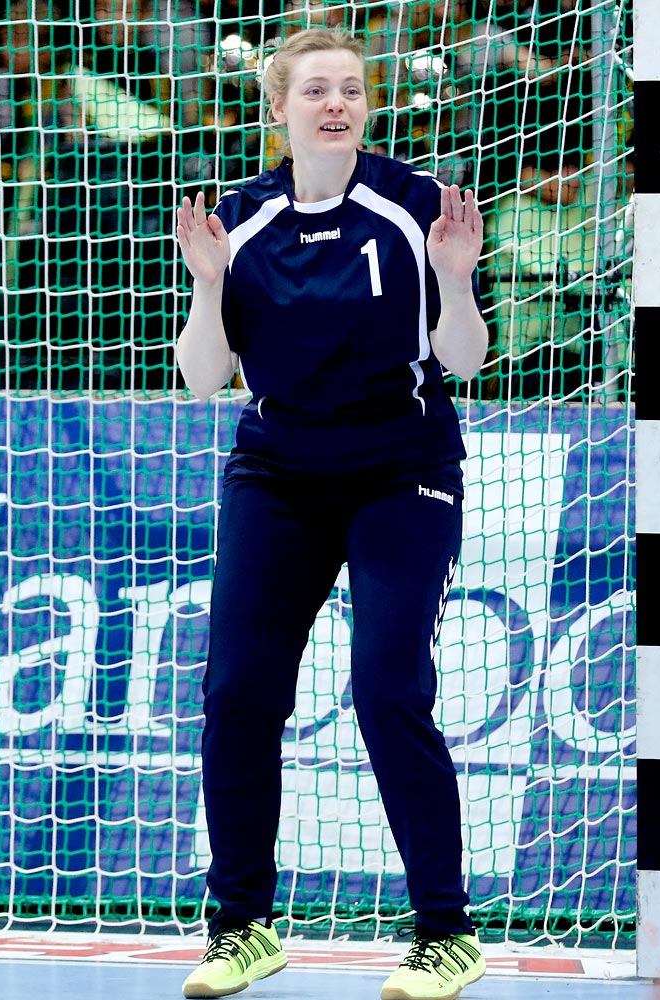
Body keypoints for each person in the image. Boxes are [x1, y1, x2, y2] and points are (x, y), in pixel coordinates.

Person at [174, 26, 488, 1000]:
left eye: (350, 88)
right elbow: (200, 381)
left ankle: (447, 933)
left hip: (403, 469)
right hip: (279, 473)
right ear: (281, 110)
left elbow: (467, 360)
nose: (336, 103)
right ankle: (242, 928)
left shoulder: (414, 206)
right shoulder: (242, 219)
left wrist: (457, 278)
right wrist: (208, 285)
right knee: (237, 692)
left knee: (387, 688)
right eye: (315, 90)